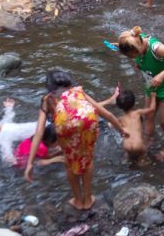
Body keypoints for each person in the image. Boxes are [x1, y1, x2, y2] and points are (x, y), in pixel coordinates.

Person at [24, 70, 129, 211]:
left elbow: (39, 133)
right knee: (87, 158)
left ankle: (78, 200)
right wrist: (121, 130)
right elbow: (106, 113)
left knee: (69, 163)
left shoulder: (47, 99)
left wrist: (30, 163)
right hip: (88, 120)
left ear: (50, 87)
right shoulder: (78, 91)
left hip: (65, 125)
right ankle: (88, 199)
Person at [118, 26, 164, 161]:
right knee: (149, 115)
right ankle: (150, 139)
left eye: (134, 55)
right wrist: (140, 65)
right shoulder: (134, 41)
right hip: (152, 82)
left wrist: (162, 75)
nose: (134, 58)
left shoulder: (156, 48)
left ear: (138, 48)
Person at [99, 88, 156, 165]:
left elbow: (110, 125)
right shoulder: (138, 113)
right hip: (138, 145)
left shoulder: (121, 119)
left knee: (128, 157)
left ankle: (126, 159)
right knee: (143, 155)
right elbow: (152, 109)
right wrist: (153, 97)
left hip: (126, 146)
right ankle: (141, 162)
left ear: (119, 106)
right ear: (134, 103)